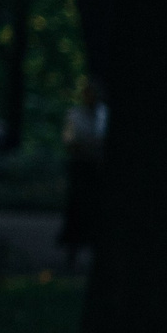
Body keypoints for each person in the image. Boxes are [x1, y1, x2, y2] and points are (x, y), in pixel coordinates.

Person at [57, 76, 106, 270]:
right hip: (82, 168)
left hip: (97, 169)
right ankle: (73, 252)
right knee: (77, 209)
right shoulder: (75, 115)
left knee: (96, 210)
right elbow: (71, 143)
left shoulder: (104, 115)